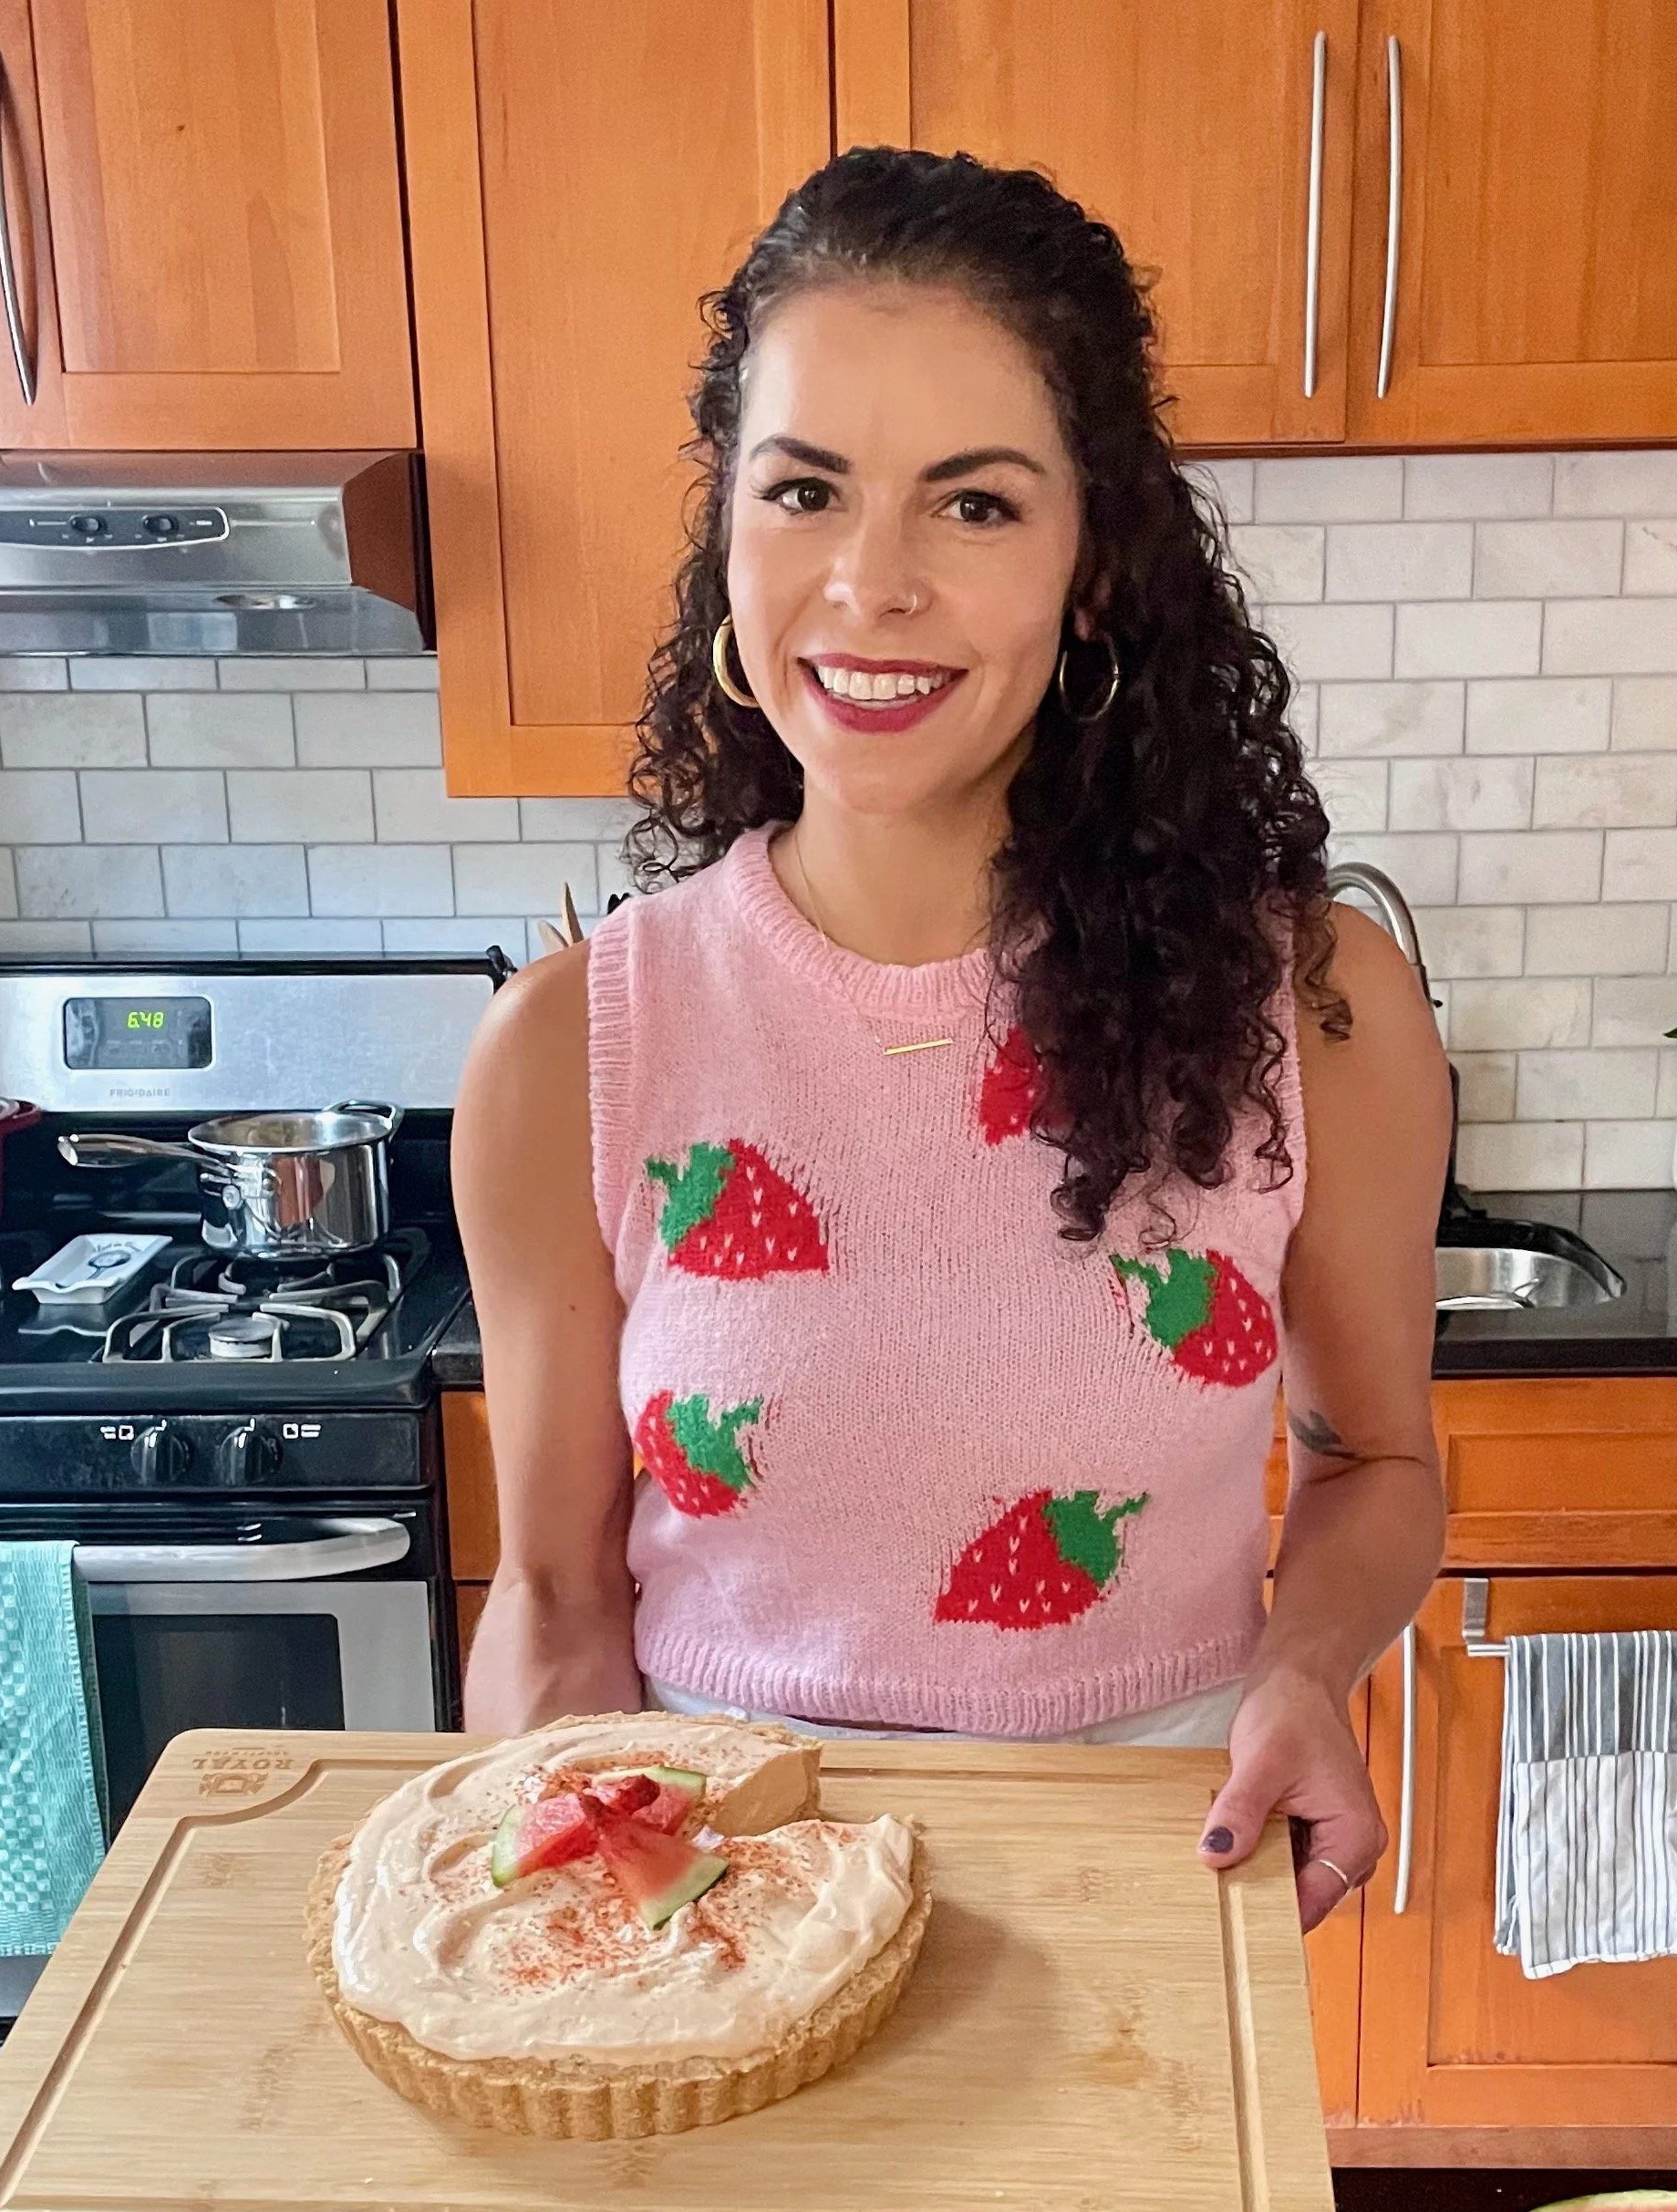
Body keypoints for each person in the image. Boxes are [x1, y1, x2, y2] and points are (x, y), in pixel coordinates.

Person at [452, 148, 1447, 1928]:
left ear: (1091, 567)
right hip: (718, 1892)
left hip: (1153, 1875)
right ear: (729, 540)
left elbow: (1378, 1464)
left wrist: (1306, 1670)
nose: (873, 582)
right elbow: (553, 1590)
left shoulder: (1315, 1006)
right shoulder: (571, 1046)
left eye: (974, 505)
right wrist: (538, 1908)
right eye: (807, 491)